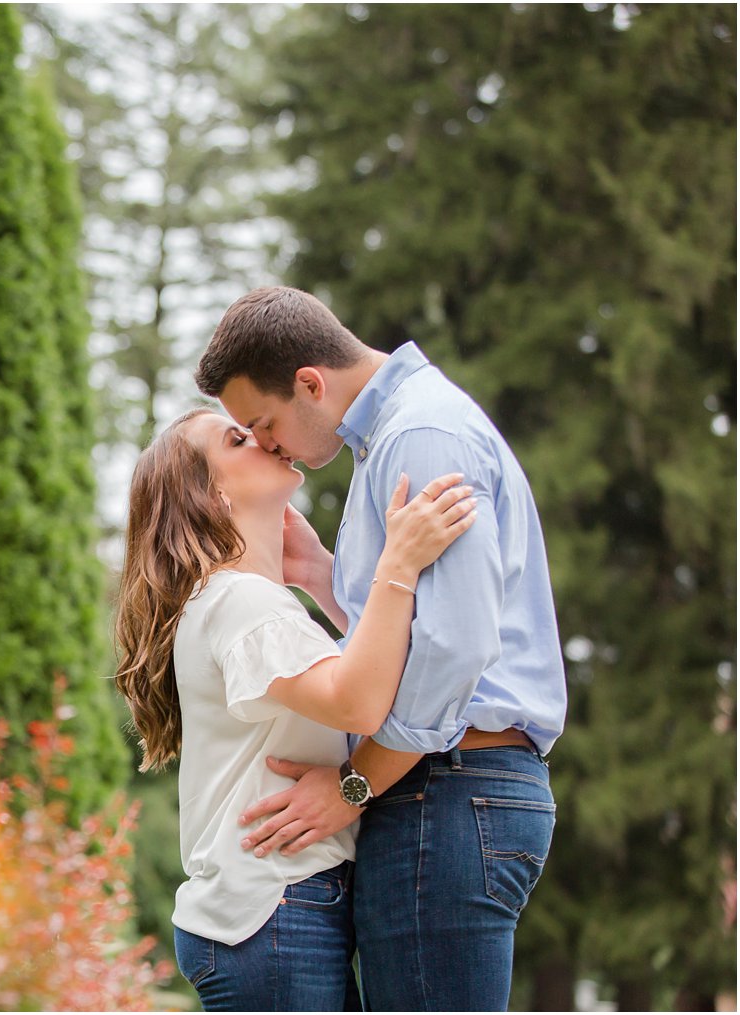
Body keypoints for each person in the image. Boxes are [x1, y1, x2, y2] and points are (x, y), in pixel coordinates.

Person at [194, 286, 567, 1011]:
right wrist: (322, 578)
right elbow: (417, 632)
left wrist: (352, 786)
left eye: (263, 424)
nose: (267, 445)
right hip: (446, 787)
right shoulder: (395, 436)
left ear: (310, 382)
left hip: (450, 785)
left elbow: (453, 648)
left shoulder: (420, 437)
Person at [114, 404, 477, 1012]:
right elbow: (359, 702)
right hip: (274, 910)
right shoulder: (241, 602)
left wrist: (315, 575)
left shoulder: (248, 601)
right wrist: (399, 564)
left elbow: (371, 675)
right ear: (212, 495)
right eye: (238, 439)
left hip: (279, 908)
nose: (262, 437)